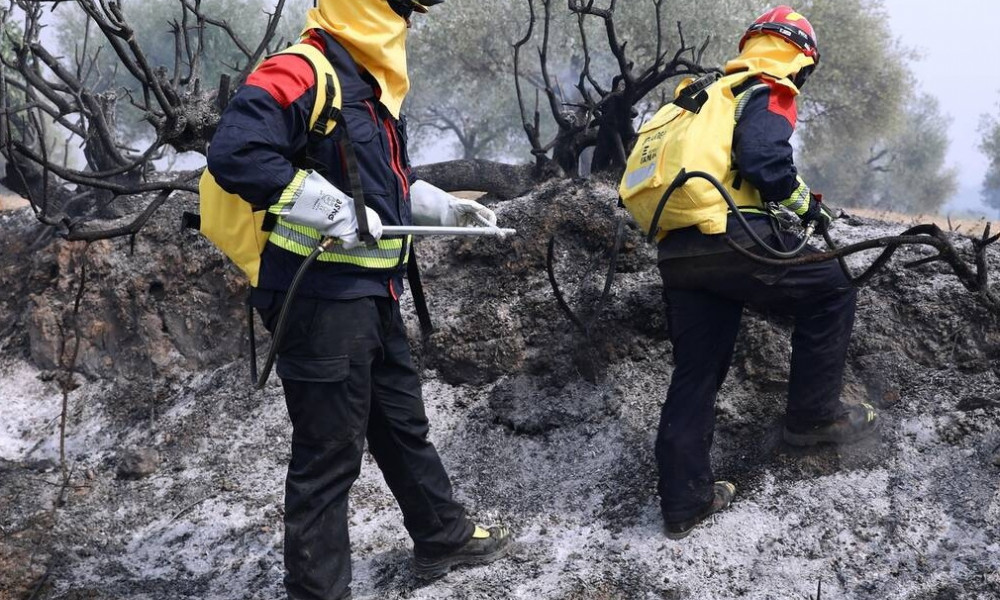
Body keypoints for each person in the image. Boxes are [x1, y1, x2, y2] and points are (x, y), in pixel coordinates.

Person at [205, 1, 512, 598]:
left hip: (369, 292)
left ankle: (442, 537)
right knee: (328, 456)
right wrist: (326, 208)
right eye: (402, 8)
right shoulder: (303, 68)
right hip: (317, 298)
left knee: (400, 425)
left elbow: (366, 179)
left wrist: (434, 205)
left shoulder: (367, 85)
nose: (409, 20)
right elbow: (236, 151)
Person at [652, 6, 879, 539]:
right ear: (801, 59)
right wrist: (805, 205)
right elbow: (763, 161)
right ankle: (812, 418)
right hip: (730, 238)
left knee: (697, 371)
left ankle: (684, 503)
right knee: (833, 289)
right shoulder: (768, 88)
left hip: (677, 250)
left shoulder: (705, 94)